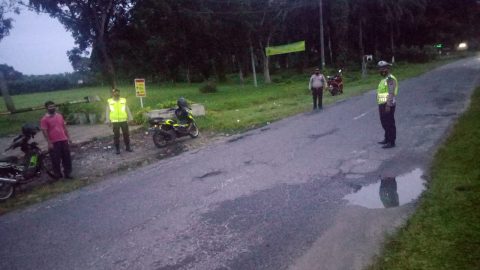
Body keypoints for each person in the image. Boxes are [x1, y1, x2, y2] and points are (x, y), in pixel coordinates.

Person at [40, 101, 72, 179]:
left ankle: (68, 174)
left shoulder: (59, 116)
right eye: (50, 107)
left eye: (53, 106)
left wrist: (68, 138)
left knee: (67, 158)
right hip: (54, 142)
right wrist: (49, 142)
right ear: (46, 108)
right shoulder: (44, 119)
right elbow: (44, 131)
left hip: (63, 140)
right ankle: (58, 175)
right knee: (55, 160)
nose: (52, 108)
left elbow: (64, 127)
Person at [376, 61, 398, 149]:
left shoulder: (390, 79)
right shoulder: (383, 79)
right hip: (382, 104)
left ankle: (391, 141)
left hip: (388, 104)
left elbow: (391, 93)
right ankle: (386, 138)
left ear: (388, 69)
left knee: (389, 123)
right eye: (380, 69)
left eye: (383, 68)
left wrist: (388, 105)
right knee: (384, 122)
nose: (381, 70)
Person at [105, 88, 133, 154]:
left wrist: (130, 118)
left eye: (117, 92)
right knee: (116, 136)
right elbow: (107, 111)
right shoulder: (110, 101)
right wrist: (108, 120)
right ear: (112, 94)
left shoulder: (123, 100)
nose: (116, 93)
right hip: (115, 122)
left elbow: (127, 109)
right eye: (115, 92)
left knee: (126, 134)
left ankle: (128, 147)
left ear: (119, 93)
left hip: (124, 121)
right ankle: (117, 149)